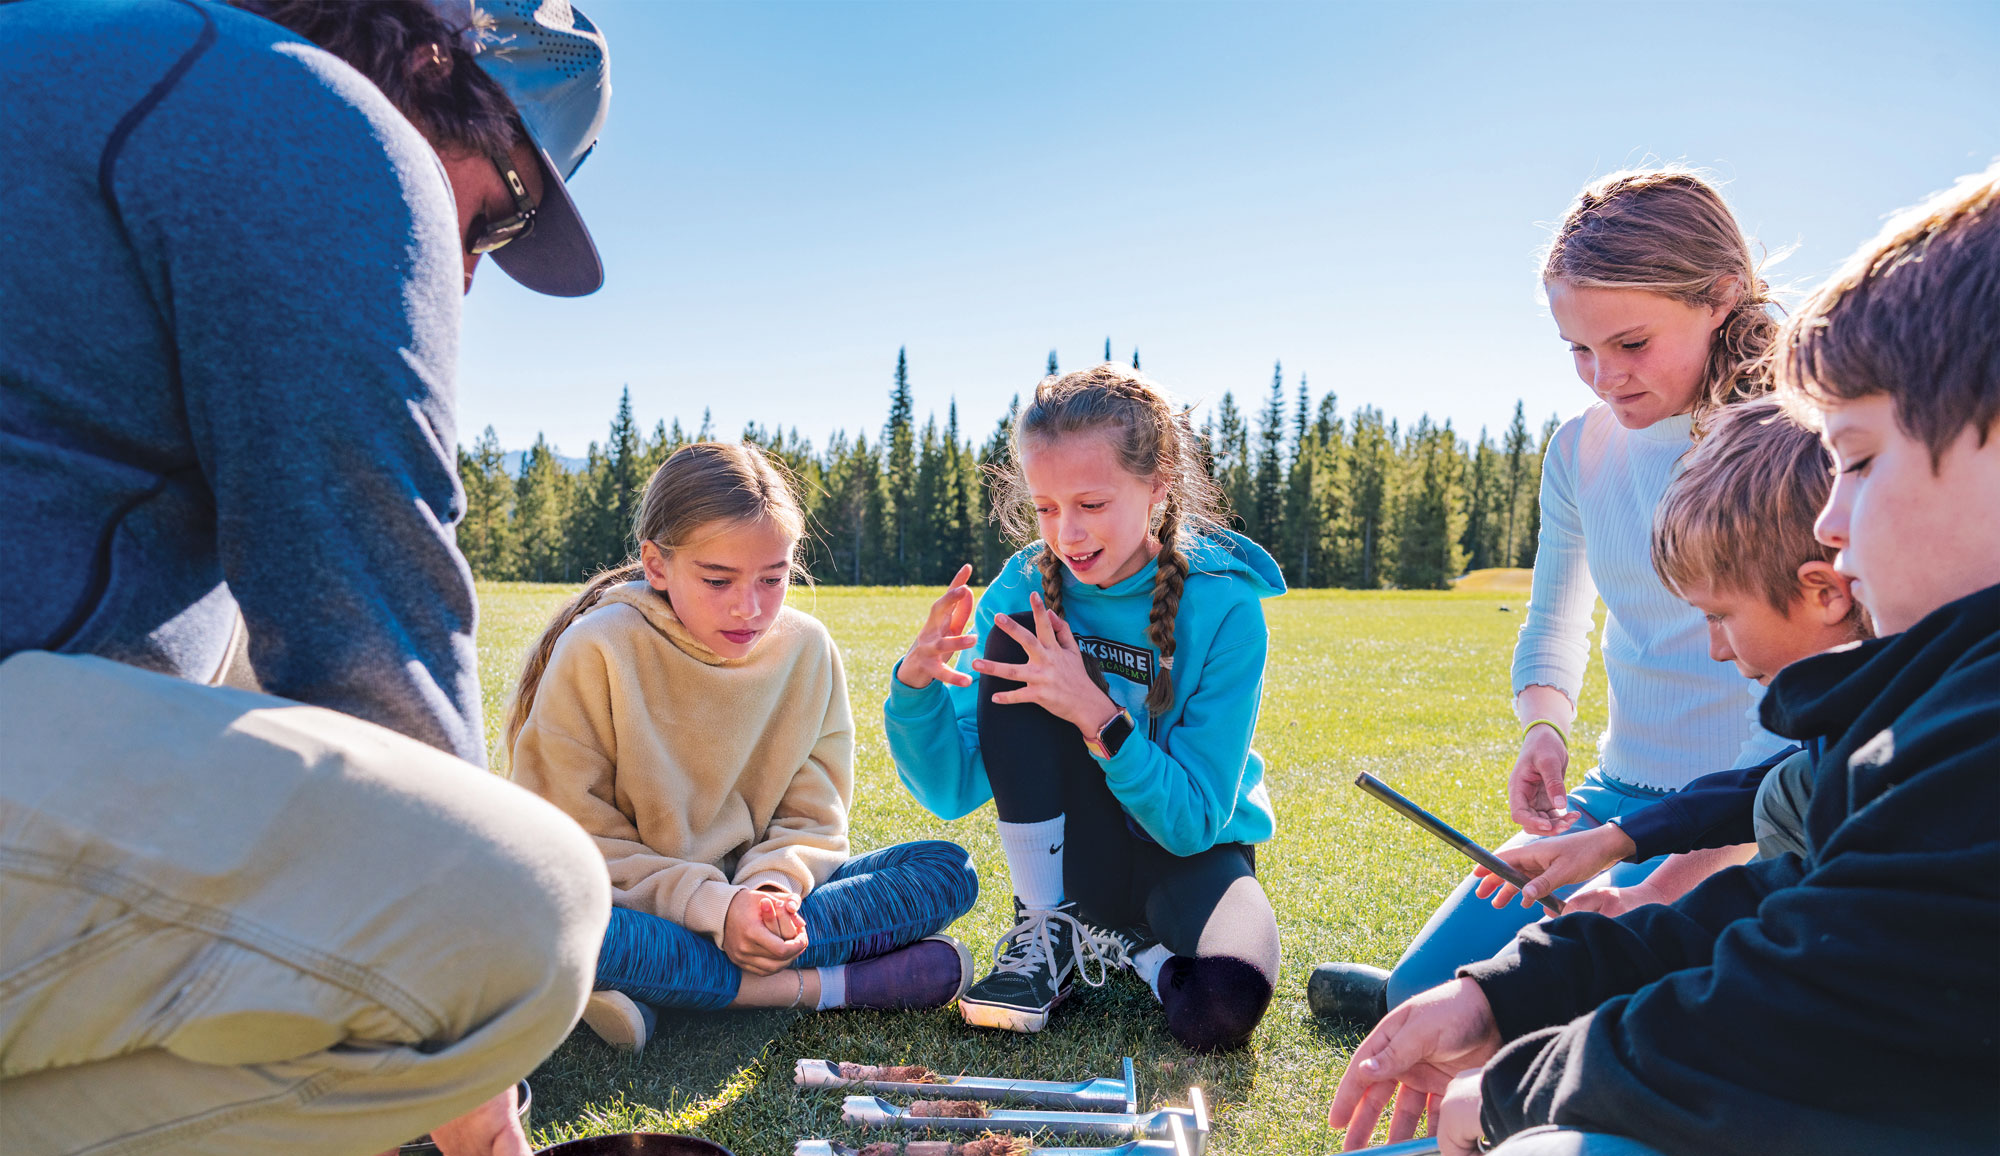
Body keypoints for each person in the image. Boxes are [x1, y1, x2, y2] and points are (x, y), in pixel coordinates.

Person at [1293, 167, 1998, 1156]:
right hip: (1639, 795)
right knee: (1469, 1014)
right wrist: (1511, 986)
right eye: (1579, 351)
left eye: (1859, 461)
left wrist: (1525, 1082)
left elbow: (1786, 977)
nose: (1830, 512)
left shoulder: (1945, 718)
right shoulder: (1937, 701)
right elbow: (1796, 906)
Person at [0, 0, 613, 1156]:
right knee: (526, 910)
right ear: (431, 67)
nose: (467, 271)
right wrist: (466, 1066)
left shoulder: (106, 60)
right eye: (499, 211)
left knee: (211, 639)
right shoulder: (322, 122)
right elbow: (373, 625)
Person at [1310, 167, 1787, 1026]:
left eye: (1632, 344)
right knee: (1423, 994)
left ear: (1721, 297)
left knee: (1593, 1003)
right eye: (1579, 350)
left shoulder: (1775, 449)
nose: (1604, 377)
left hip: (1739, 820)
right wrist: (1543, 728)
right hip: (1615, 794)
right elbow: (1557, 617)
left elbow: (1784, 740)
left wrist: (1658, 891)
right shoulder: (1579, 452)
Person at [506, 442, 980, 1055]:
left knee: (946, 870)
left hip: (763, 903)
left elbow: (811, 817)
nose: (750, 607)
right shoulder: (598, 648)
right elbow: (567, 841)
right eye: (717, 580)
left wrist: (771, 897)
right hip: (642, 906)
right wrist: (714, 909)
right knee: (544, 916)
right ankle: (816, 988)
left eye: (773, 579)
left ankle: (664, 988)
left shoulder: (808, 650)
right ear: (656, 564)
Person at [886, 365, 1285, 1050]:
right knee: (1021, 647)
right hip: (1079, 860)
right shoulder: (1022, 589)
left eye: (1091, 505)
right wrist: (915, 688)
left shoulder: (1226, 606)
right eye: (1045, 508)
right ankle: (1049, 926)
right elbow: (954, 789)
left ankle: (1134, 949)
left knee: (1222, 1006)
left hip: (1191, 852)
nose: (1066, 534)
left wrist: (1100, 716)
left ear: (1157, 488)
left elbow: (1192, 823)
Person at [1467, 398, 1870, 915]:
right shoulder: (1823, 750)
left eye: (1719, 616)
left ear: (1825, 592)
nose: (1715, 649)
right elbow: (1759, 790)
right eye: (1580, 348)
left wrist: (1653, 895)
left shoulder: (1909, 737)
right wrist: (1617, 839)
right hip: (1626, 800)